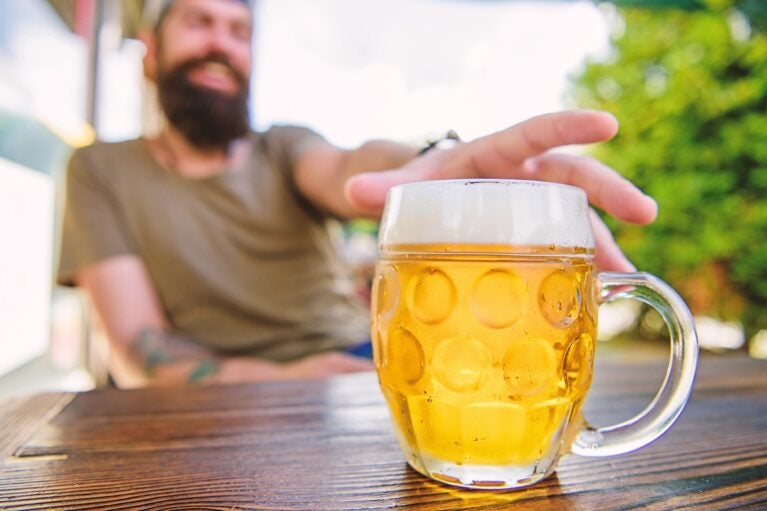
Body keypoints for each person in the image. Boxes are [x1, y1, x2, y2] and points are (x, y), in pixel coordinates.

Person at [57, 0, 658, 388]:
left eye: (240, 31)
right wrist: (287, 377)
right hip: (231, 392)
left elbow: (350, 172)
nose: (222, 42)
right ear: (151, 52)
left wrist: (437, 163)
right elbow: (139, 351)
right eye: (199, 21)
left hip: (361, 364)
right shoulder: (101, 170)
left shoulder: (284, 147)